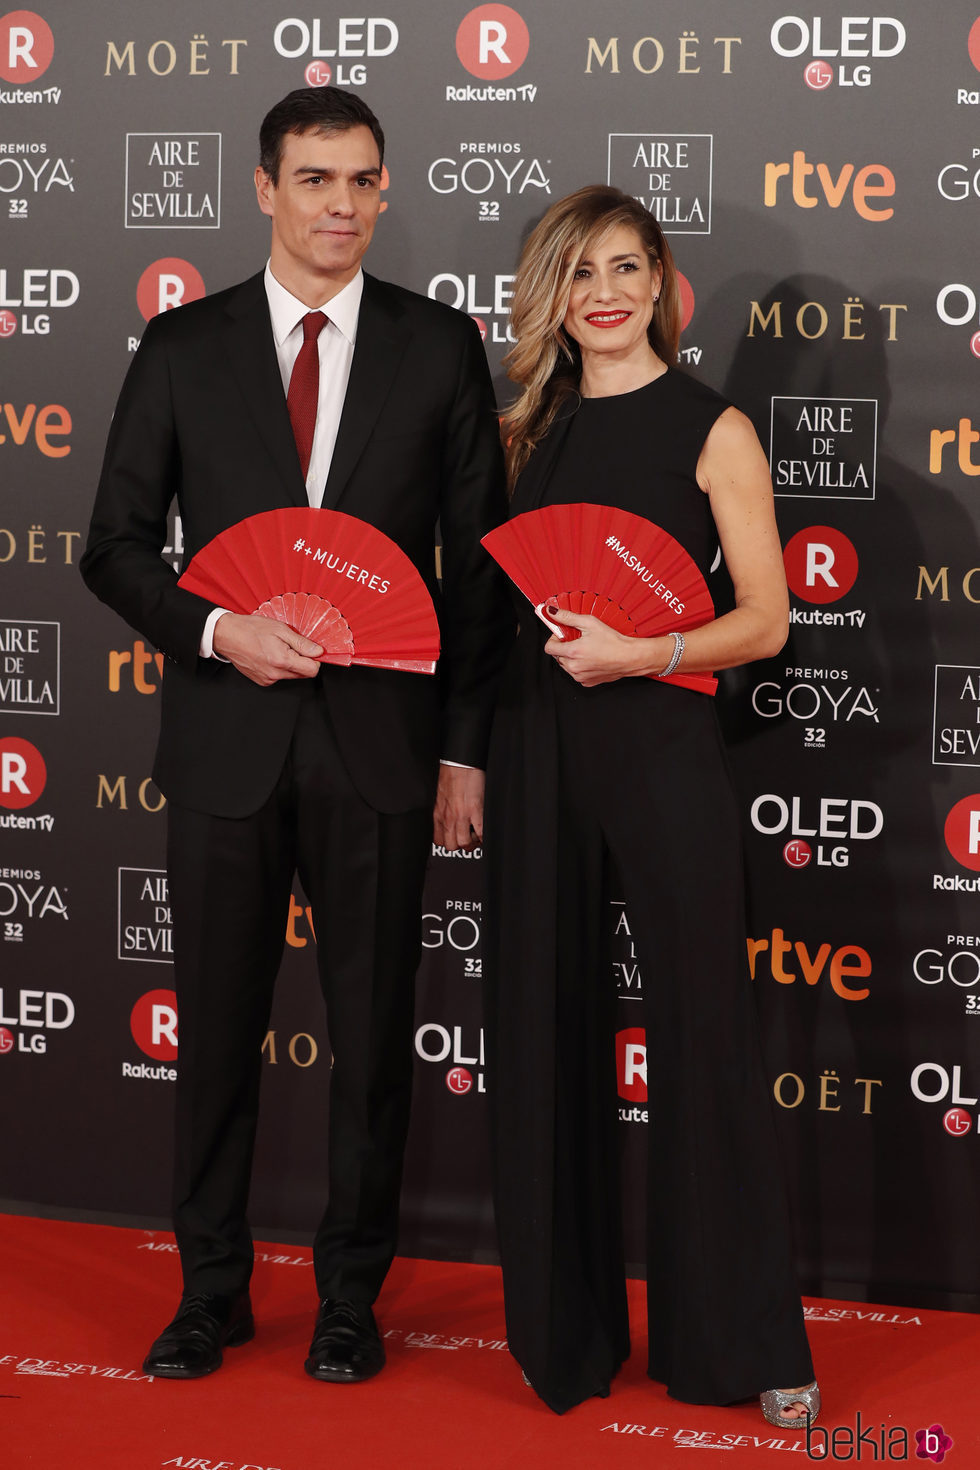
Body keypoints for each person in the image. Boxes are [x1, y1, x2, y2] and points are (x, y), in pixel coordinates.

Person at [81, 87, 508, 1384]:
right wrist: (219, 627)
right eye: (314, 178)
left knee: (375, 1043)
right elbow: (110, 545)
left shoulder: (440, 347)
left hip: (384, 744)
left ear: (385, 191)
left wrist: (465, 750)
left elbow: (478, 573)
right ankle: (207, 1292)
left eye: (361, 180)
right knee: (213, 1035)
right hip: (225, 738)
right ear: (262, 188)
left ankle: (349, 1299)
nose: (339, 204)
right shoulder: (183, 346)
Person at [483, 185, 819, 1426]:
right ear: (554, 298)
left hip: (662, 740)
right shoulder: (523, 430)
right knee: (541, 1032)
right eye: (579, 275)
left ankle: (740, 1341)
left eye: (624, 268)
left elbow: (767, 621)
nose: (604, 294)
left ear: (660, 283)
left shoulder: (713, 426)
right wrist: (468, 759)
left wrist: (646, 653)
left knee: (704, 1039)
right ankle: (562, 1340)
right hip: (533, 746)